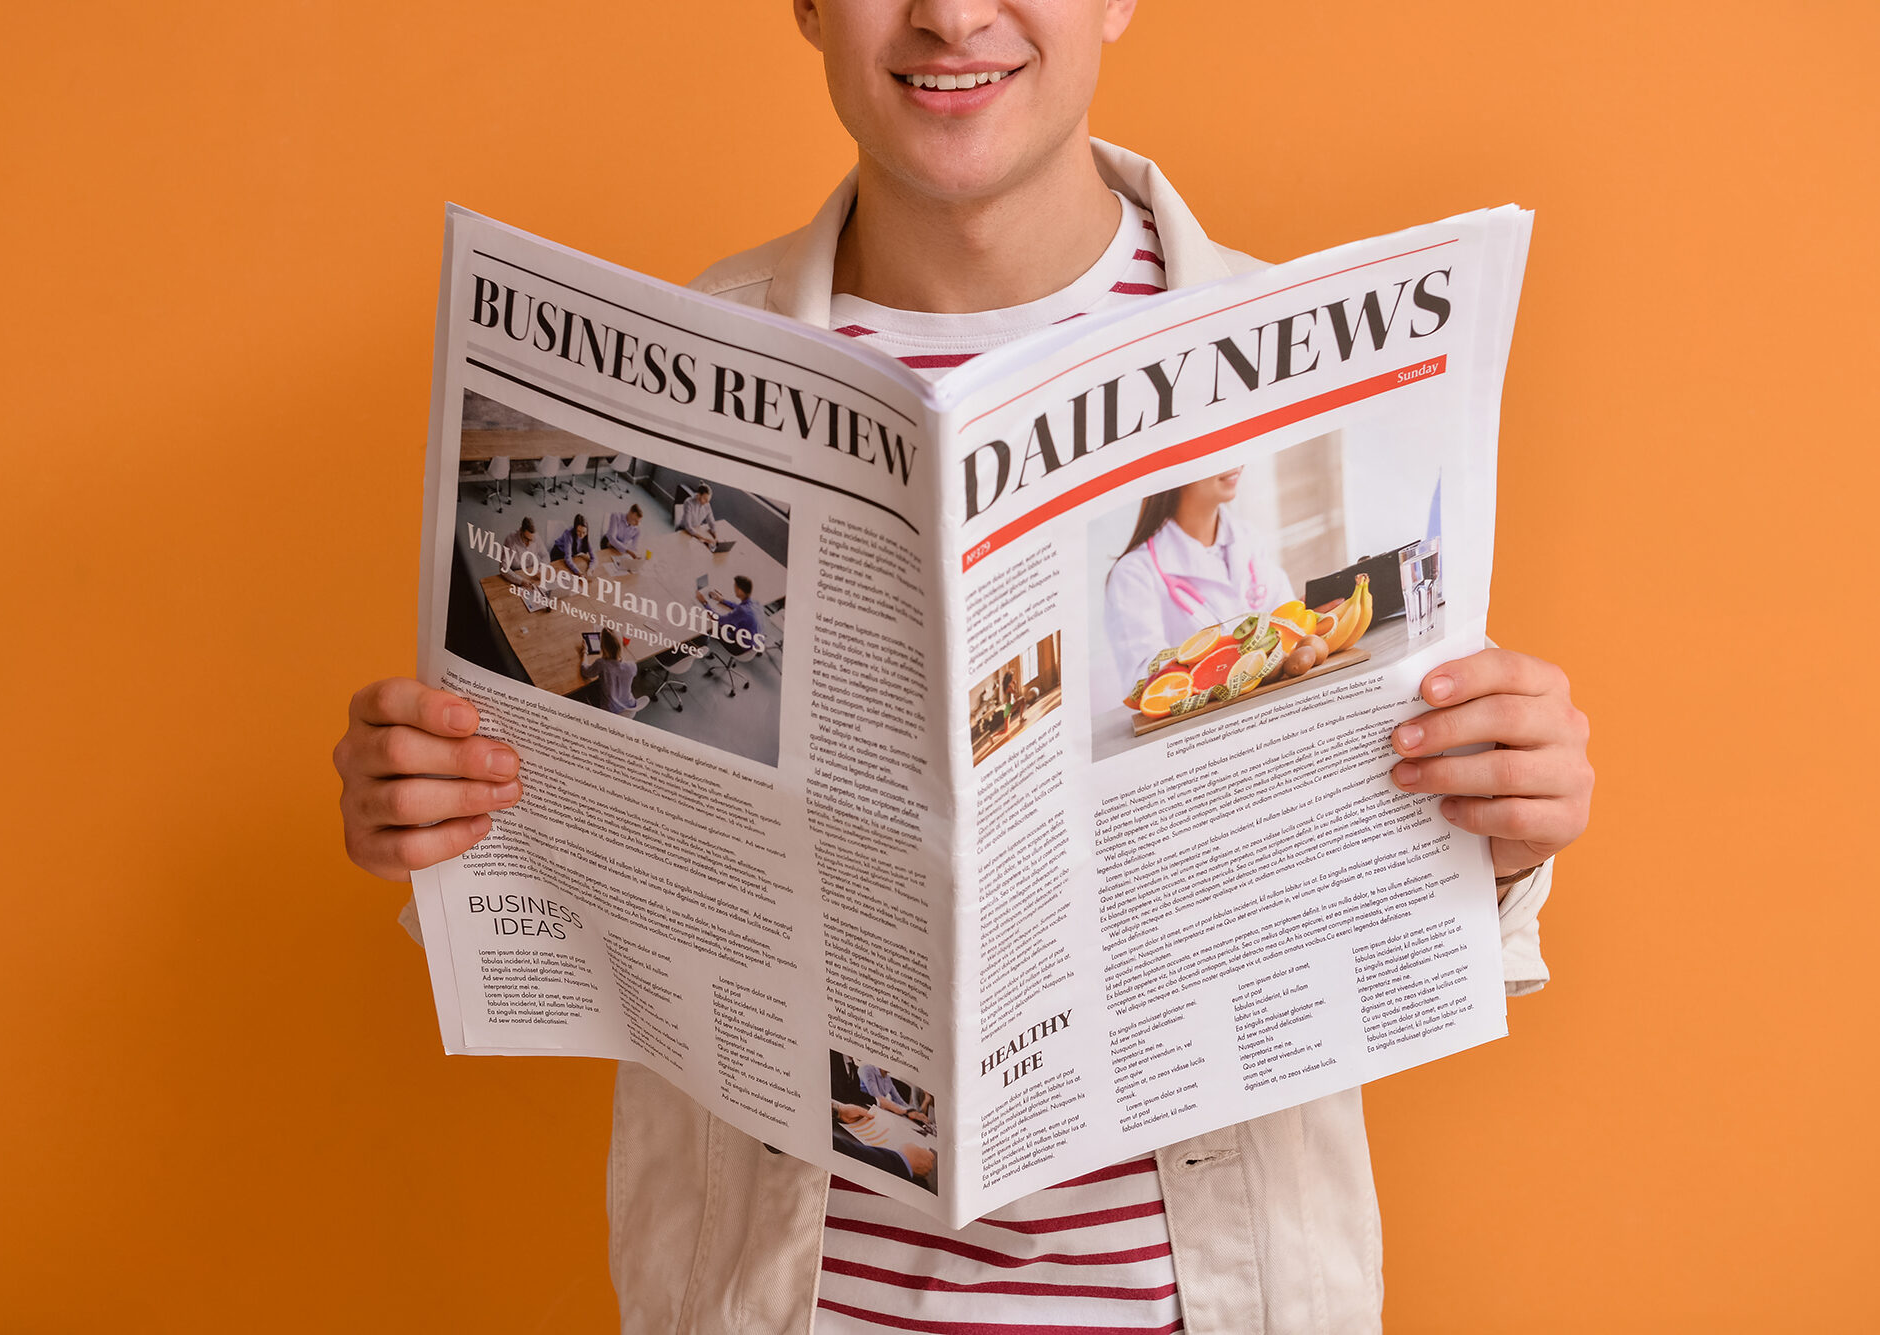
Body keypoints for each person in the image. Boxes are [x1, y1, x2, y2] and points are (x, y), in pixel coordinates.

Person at [331, 3, 1596, 1330]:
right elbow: (584, 870)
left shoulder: (1314, 349)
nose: (950, 14)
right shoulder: (668, 370)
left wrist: (1499, 835)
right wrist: (439, 818)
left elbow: (1352, 847)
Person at [1104, 466, 1297, 687]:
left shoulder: (1248, 538)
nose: (1235, 463)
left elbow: (1290, 626)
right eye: (1215, 453)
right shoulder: (1134, 574)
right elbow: (1145, 681)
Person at [579, 629, 647, 718]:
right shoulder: (632, 666)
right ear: (620, 645)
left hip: (610, 711)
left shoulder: (601, 664)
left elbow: (585, 672)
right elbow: (619, 668)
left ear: (602, 646)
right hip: (630, 708)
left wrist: (584, 652)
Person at [693, 574, 764, 655]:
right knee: (728, 623)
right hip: (756, 642)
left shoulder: (743, 611)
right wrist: (722, 600)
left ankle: (699, 643)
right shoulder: (755, 603)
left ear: (740, 591)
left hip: (740, 648)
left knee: (711, 625)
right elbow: (739, 607)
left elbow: (718, 619)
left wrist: (704, 602)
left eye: (735, 588)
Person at [497, 517, 540, 589]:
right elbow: (503, 567)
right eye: (526, 539)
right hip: (515, 575)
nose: (528, 544)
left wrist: (541, 570)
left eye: (531, 540)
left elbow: (545, 556)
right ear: (521, 531)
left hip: (530, 574)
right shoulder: (511, 540)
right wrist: (520, 581)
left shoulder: (535, 537)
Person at [545, 514, 591, 578]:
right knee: (563, 577)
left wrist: (590, 569)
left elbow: (593, 557)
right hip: (558, 554)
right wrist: (579, 573)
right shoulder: (568, 534)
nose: (581, 535)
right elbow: (568, 558)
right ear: (575, 529)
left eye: (584, 532)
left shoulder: (585, 535)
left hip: (570, 555)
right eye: (579, 531)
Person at [679, 483, 719, 549]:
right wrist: (704, 538)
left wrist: (716, 537)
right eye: (705, 499)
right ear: (698, 495)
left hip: (696, 530)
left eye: (708, 500)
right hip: (684, 530)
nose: (707, 502)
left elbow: (711, 522)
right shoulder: (688, 502)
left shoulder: (707, 504)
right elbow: (688, 526)